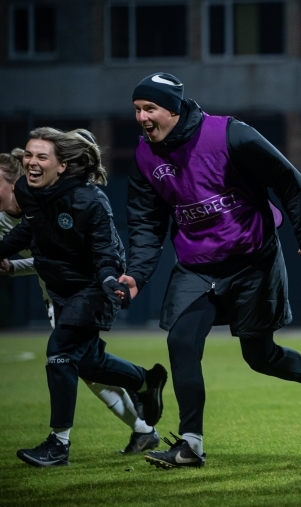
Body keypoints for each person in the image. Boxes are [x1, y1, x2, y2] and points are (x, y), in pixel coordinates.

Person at [122, 72, 301, 469]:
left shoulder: (230, 135)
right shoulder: (144, 155)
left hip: (253, 260)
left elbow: (288, 181)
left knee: (260, 356)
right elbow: (146, 223)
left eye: (150, 109)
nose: (142, 118)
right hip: (196, 266)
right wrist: (137, 273)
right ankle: (191, 444)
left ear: (174, 109)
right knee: (182, 342)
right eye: (137, 110)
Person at [0, 128, 167, 467]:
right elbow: (29, 229)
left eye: (41, 156)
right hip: (60, 290)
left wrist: (109, 280)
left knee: (59, 353)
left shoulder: (89, 200)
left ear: (61, 166)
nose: (31, 162)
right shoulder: (27, 191)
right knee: (88, 363)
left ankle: (58, 444)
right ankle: (145, 381)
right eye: (28, 155)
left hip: (91, 289)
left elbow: (106, 251)